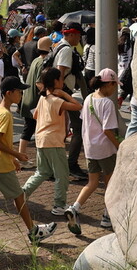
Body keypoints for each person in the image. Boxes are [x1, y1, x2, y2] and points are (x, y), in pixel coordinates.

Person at [0, 76, 57, 251]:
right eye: (19, 91)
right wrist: (17, 155)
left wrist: (12, 159)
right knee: (19, 197)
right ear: (9, 93)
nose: (21, 94)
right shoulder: (5, 114)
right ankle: (33, 231)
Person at [66, 69, 121, 234]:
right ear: (109, 84)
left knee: (92, 183)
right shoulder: (107, 103)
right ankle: (106, 216)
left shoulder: (89, 98)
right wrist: (119, 145)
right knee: (110, 184)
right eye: (114, 85)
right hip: (105, 149)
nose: (114, 89)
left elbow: (85, 122)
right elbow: (107, 130)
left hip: (90, 148)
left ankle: (75, 207)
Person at [22, 67, 82, 215]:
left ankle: (22, 194)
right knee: (61, 174)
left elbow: (35, 115)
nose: (62, 81)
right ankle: (59, 205)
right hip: (53, 141)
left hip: (41, 139)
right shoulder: (56, 100)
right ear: (55, 81)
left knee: (42, 171)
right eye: (61, 79)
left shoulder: (43, 98)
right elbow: (78, 106)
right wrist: (63, 94)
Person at [55, 22, 88, 180]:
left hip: (60, 94)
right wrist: (61, 94)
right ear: (73, 34)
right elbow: (60, 72)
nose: (80, 38)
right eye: (79, 35)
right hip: (63, 94)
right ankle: (71, 165)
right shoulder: (67, 50)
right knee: (78, 128)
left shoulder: (59, 46)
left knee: (60, 129)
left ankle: (54, 165)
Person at [17, 36, 52, 165]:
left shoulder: (36, 60)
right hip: (35, 101)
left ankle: (23, 157)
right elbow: (39, 83)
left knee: (29, 128)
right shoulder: (44, 61)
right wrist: (48, 97)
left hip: (28, 99)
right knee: (34, 130)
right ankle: (26, 159)